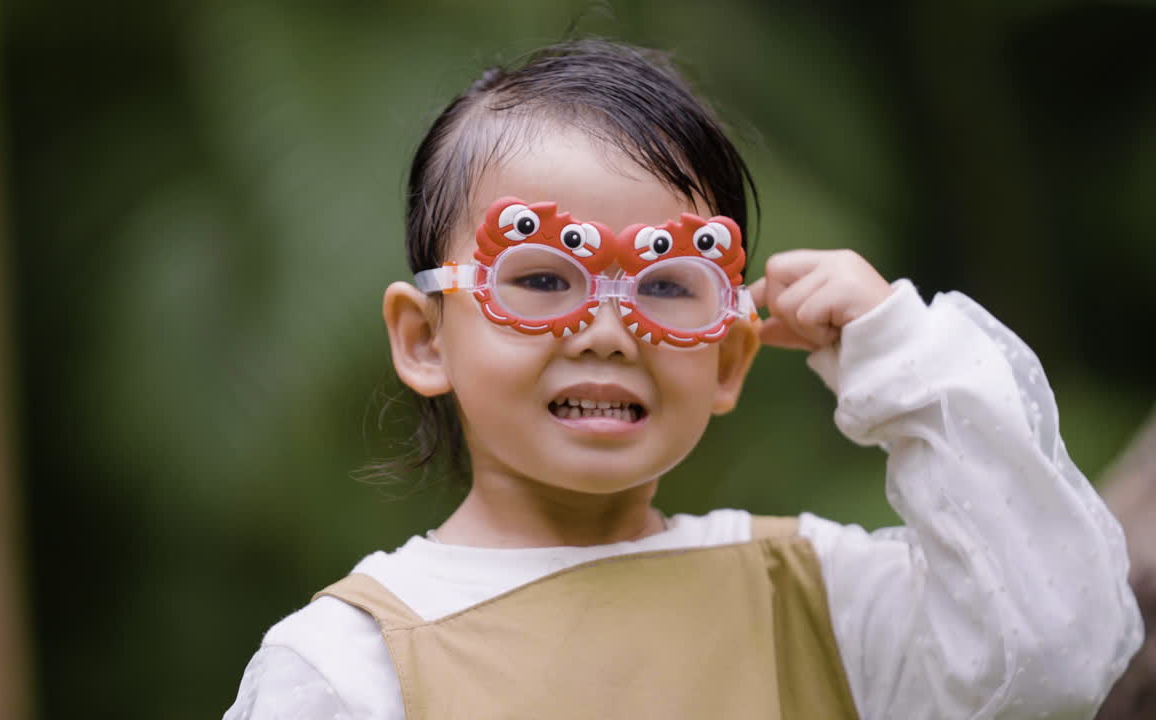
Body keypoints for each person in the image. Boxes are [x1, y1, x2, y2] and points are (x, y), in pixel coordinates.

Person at [221, 38, 1142, 719]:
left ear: (729, 356)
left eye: (668, 284)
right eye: (544, 279)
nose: (612, 329)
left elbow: (1057, 654)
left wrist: (899, 353)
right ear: (425, 337)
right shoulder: (349, 666)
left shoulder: (816, 596)